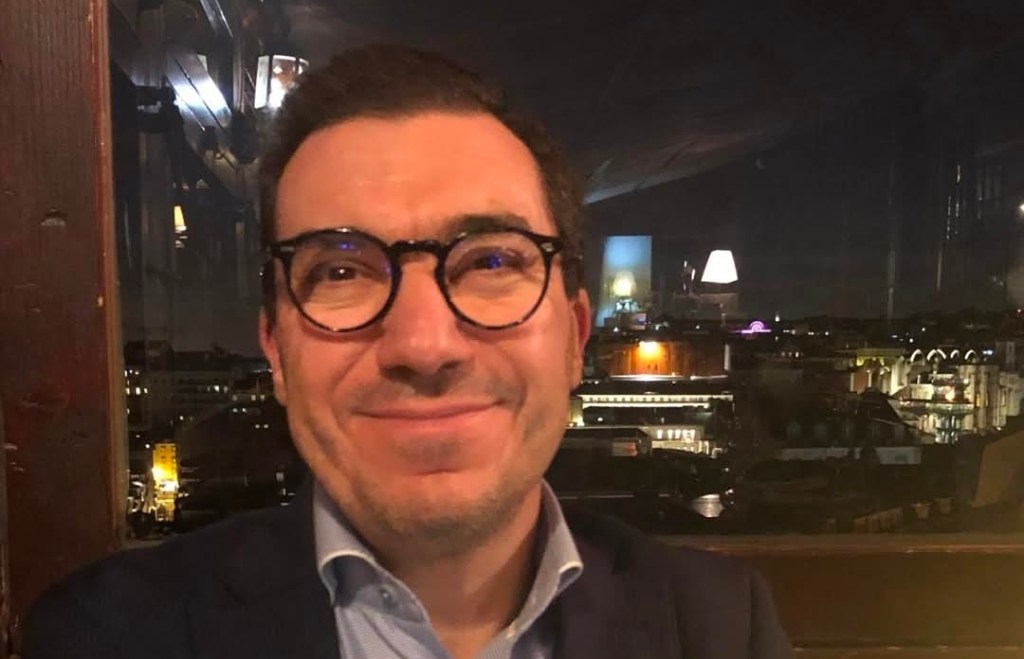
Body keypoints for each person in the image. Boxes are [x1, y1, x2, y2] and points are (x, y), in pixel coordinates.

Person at [24, 45, 793, 659]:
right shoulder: (107, 637)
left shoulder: (720, 628)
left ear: (574, 336)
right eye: (341, 271)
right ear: (276, 350)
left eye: (491, 261)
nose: (424, 345)